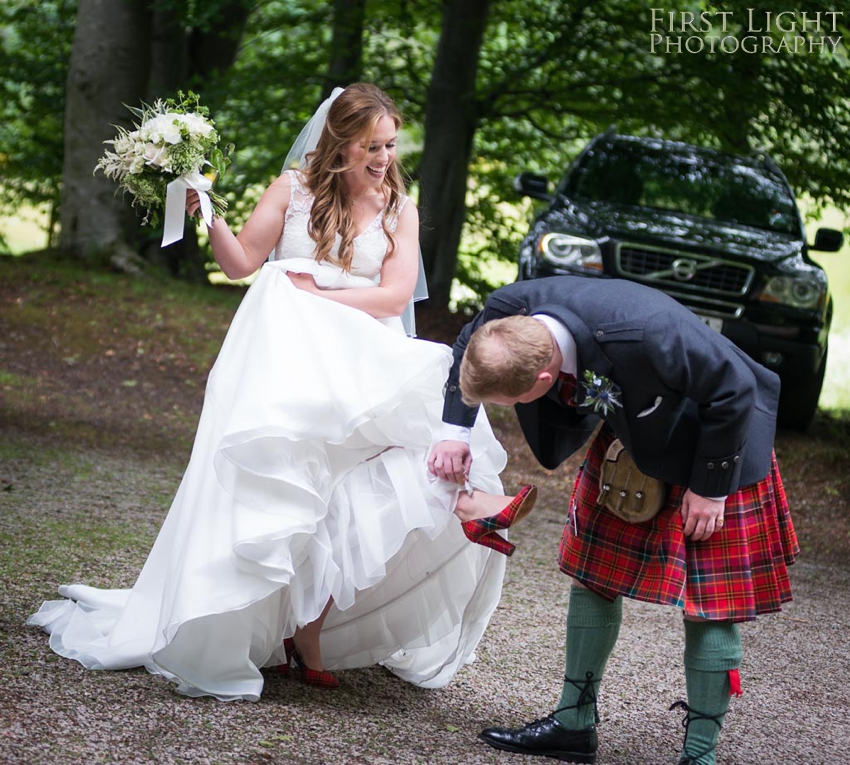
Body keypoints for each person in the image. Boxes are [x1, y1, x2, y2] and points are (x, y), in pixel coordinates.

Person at [28, 83, 536, 700]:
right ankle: (279, 628)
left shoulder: (400, 205)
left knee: (433, 424)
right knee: (297, 491)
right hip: (292, 358)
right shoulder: (292, 190)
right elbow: (242, 264)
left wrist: (319, 294)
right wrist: (206, 212)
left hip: (361, 354)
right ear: (338, 141)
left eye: (390, 144)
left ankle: (466, 507)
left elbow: (396, 296)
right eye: (370, 145)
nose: (383, 158)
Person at [428, 275, 798, 764]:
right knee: (593, 574)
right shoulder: (509, 311)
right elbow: (466, 347)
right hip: (635, 438)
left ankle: (701, 755)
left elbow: (735, 389)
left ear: (543, 381)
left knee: (710, 605)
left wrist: (710, 489)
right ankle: (574, 724)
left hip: (718, 446)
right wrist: (456, 428)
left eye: (511, 404)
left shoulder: (652, 332)